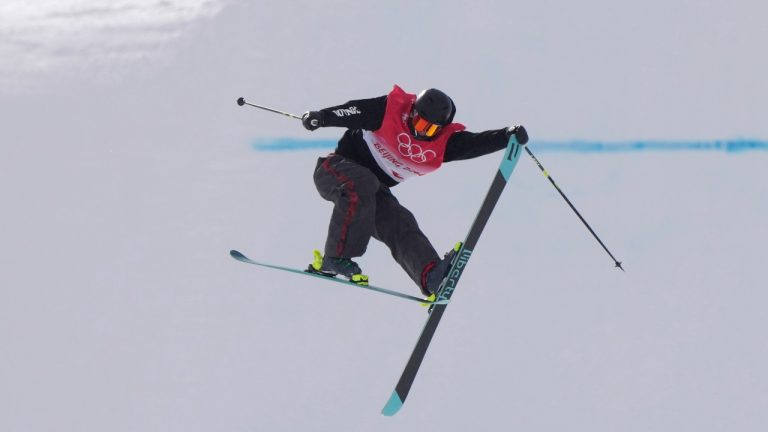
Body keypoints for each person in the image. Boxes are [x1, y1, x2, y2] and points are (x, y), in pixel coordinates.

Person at [302, 85, 528, 299]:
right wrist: (322, 117)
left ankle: (430, 276)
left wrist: (506, 136)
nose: (420, 130)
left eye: (428, 128)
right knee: (364, 182)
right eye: (418, 121)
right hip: (335, 169)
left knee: (400, 222)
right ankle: (336, 256)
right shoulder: (389, 110)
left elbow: (476, 143)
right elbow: (353, 111)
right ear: (411, 112)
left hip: (371, 193)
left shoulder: (444, 144)